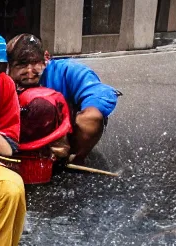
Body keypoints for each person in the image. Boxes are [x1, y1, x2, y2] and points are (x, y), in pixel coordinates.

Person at [6, 33, 120, 163]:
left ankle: (73, 159)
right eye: (21, 65)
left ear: (46, 59)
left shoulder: (66, 70)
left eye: (35, 63)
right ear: (9, 66)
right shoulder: (2, 81)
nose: (29, 71)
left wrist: (85, 113)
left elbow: (97, 90)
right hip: (20, 138)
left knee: (91, 118)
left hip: (66, 134)